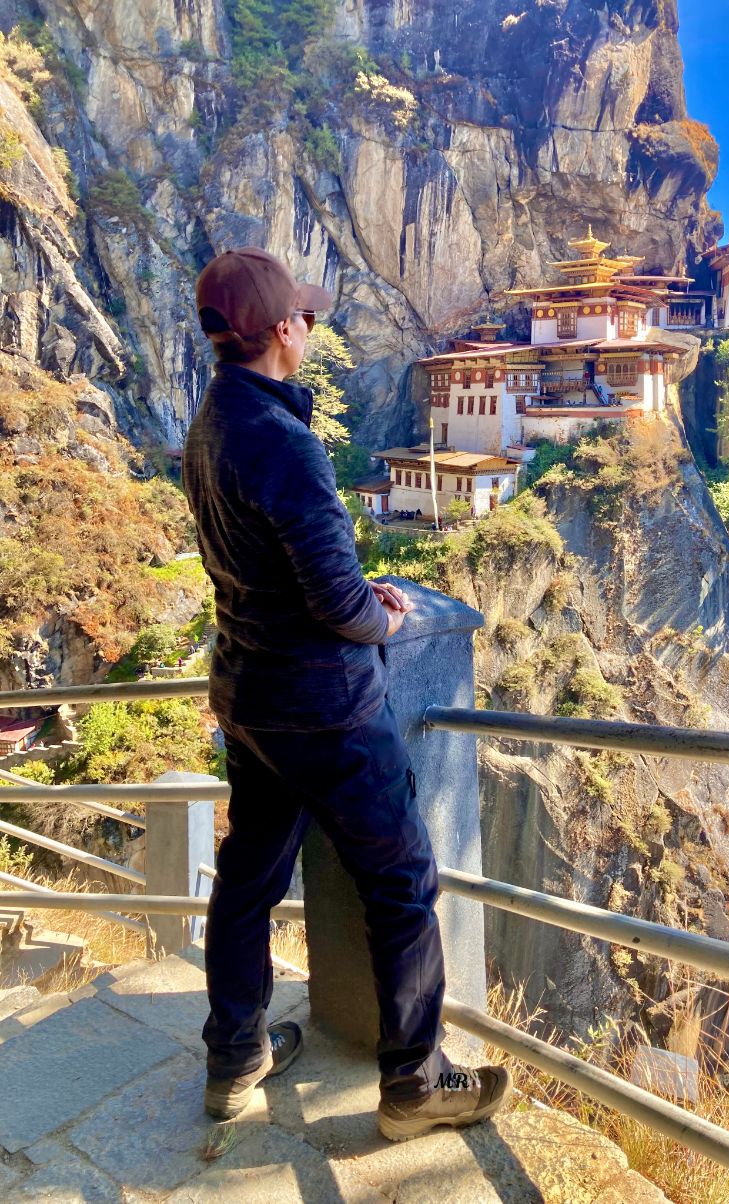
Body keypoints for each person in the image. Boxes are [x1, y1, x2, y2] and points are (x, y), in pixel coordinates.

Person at [182, 247, 511, 1140]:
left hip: (247, 693)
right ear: (284, 329)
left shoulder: (211, 422)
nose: (310, 326)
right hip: (325, 708)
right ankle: (415, 1080)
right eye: (308, 316)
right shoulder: (285, 443)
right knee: (403, 884)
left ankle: (234, 1055)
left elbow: (269, 568)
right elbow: (334, 601)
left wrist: (357, 599)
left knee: (248, 877)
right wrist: (387, 616)